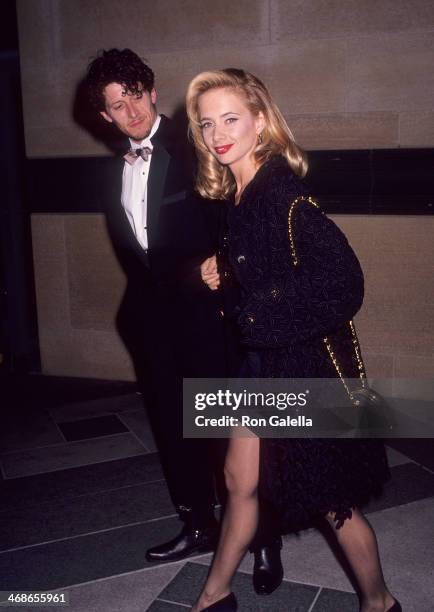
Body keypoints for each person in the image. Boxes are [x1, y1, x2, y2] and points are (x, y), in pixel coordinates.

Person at [186, 69, 401, 612]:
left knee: (332, 501)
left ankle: (380, 602)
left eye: (230, 118)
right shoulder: (239, 195)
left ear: (260, 122)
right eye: (207, 123)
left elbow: (342, 282)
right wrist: (226, 271)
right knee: (238, 482)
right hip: (261, 366)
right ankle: (215, 594)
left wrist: (254, 313)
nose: (217, 133)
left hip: (300, 369)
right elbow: (267, 267)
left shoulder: (283, 195)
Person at [84, 48, 227, 562]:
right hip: (152, 324)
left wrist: (225, 262)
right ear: (105, 116)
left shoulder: (199, 146)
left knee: (226, 431)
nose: (132, 111)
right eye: (118, 105)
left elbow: (236, 215)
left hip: (208, 318)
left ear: (152, 89)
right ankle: (198, 524)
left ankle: (258, 533)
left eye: (136, 95)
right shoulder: (110, 173)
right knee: (172, 428)